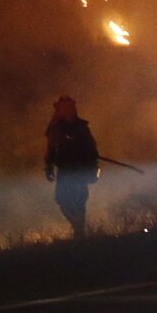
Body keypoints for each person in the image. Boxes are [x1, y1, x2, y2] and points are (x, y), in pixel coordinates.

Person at [45, 95, 101, 239]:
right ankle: (78, 228)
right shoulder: (57, 127)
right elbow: (51, 148)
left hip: (80, 169)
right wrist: (49, 166)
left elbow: (92, 147)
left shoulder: (81, 127)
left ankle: (79, 231)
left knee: (80, 200)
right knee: (63, 200)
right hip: (65, 169)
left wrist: (93, 166)